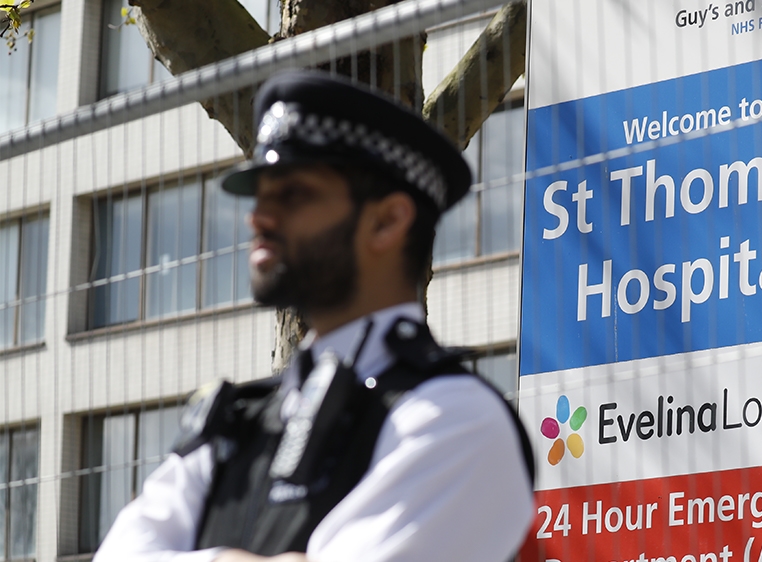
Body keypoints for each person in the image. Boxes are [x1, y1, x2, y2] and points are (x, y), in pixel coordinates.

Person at [93, 70, 536, 562]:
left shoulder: (454, 419)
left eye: (293, 195)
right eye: (259, 197)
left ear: (387, 221)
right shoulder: (236, 422)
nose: (257, 218)